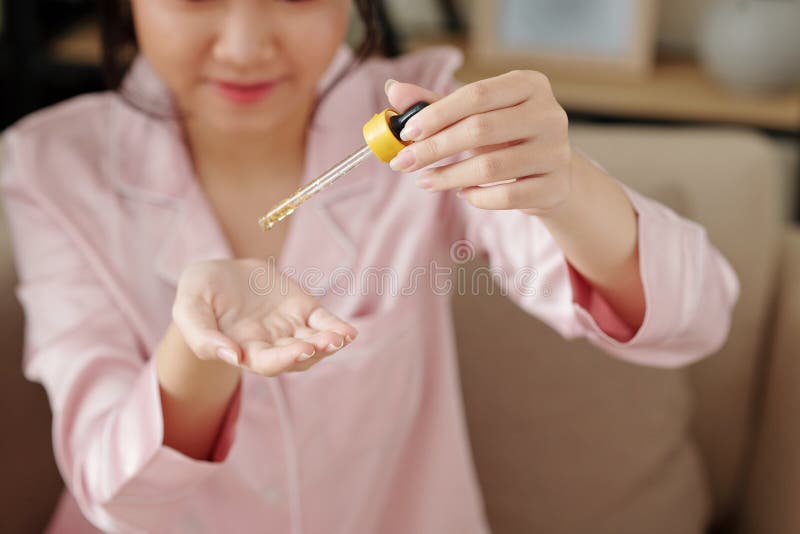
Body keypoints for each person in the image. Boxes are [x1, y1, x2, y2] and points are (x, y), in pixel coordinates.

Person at [0, 1, 739, 532]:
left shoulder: (427, 119)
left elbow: (694, 320)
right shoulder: (51, 166)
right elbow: (117, 496)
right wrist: (200, 349)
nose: (246, 43)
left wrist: (566, 185)